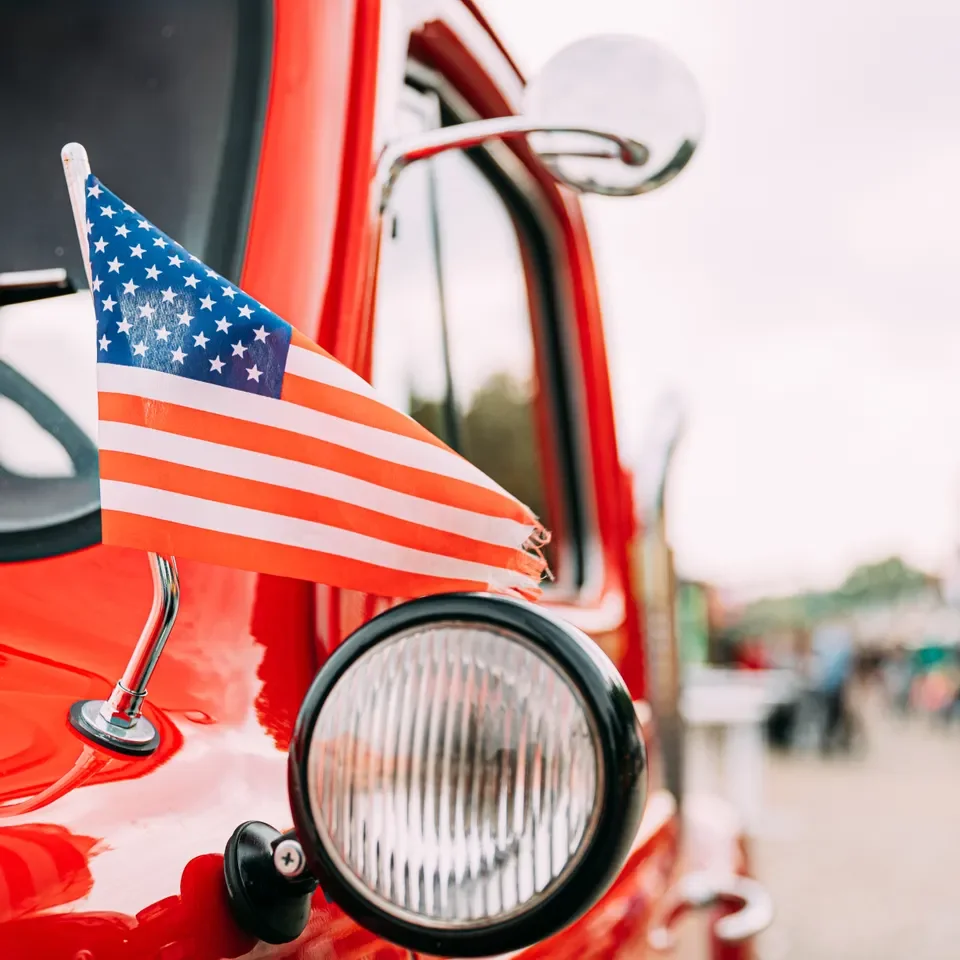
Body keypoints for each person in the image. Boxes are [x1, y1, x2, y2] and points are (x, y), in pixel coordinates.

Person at [811, 620, 855, 754]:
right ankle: (830, 743)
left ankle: (829, 742)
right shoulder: (838, 649)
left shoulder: (827, 647)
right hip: (833, 687)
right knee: (832, 716)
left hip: (830, 687)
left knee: (831, 716)